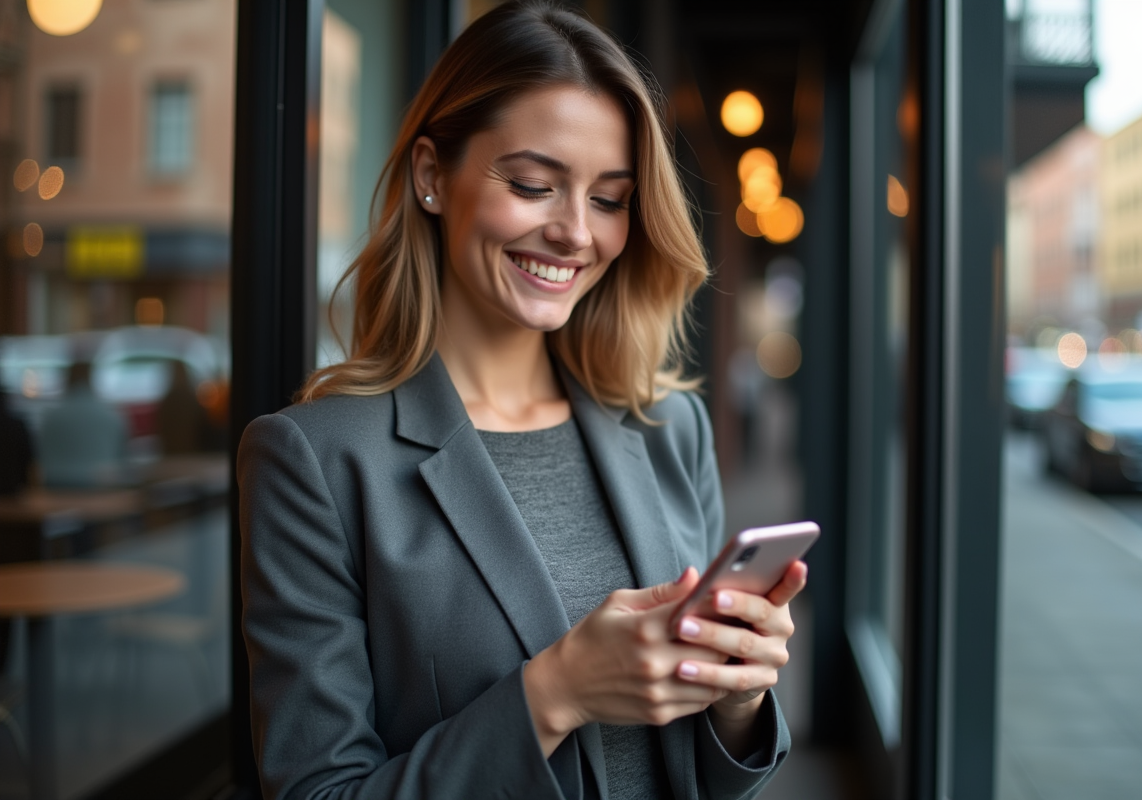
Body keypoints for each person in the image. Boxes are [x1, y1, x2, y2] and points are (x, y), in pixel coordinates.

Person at [238, 3, 807, 798]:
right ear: (433, 176)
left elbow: (698, 773)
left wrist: (740, 694)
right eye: (535, 185)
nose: (576, 232)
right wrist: (555, 694)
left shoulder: (668, 427)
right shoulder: (318, 462)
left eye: (609, 199)